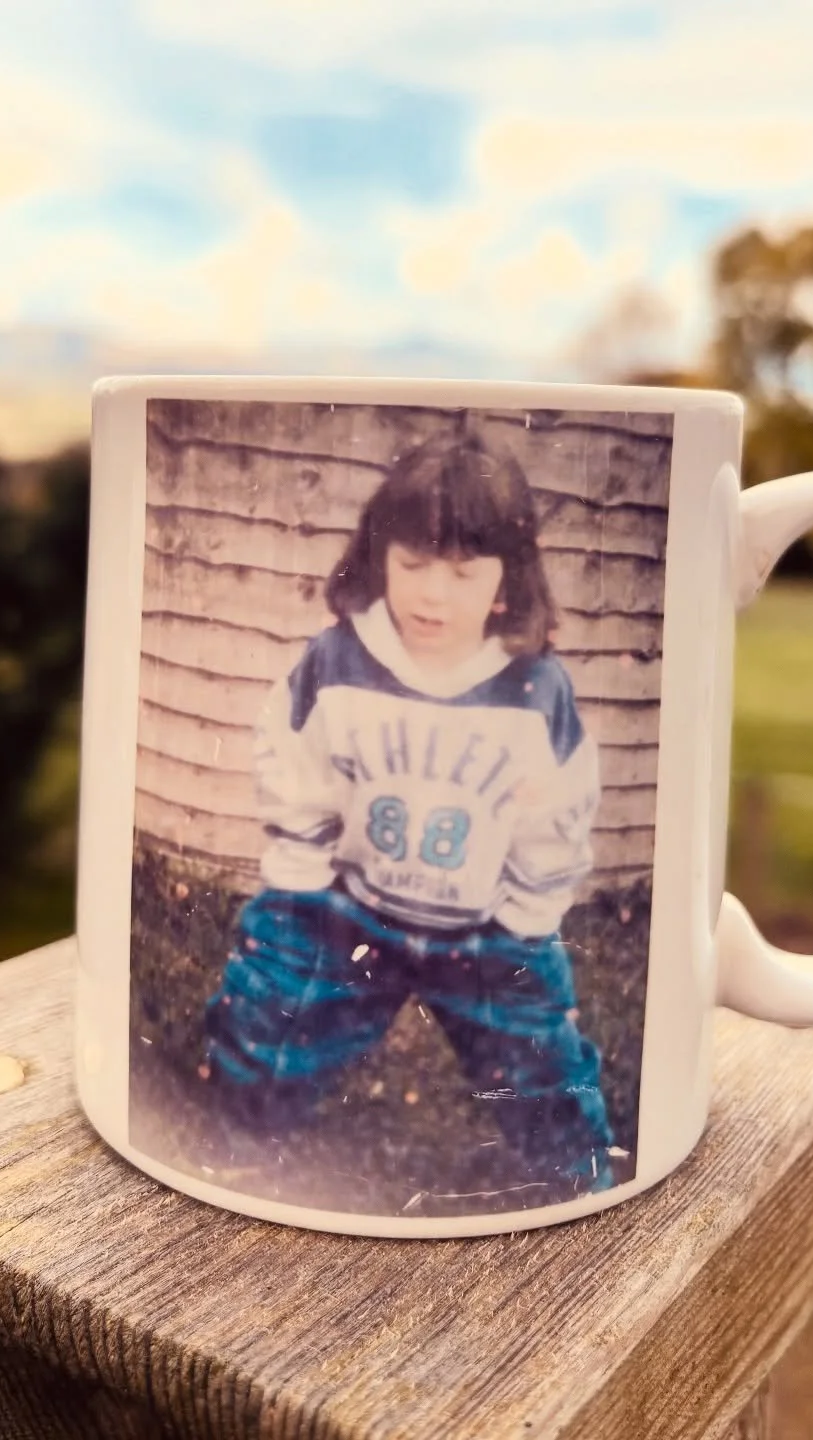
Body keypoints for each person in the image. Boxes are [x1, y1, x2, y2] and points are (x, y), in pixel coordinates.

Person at [201, 428, 616, 1196]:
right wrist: (301, 876)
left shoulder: (534, 691)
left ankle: (580, 1184)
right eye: (413, 564)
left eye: (462, 573)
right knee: (269, 1025)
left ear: (505, 580)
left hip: (487, 928)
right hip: (352, 909)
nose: (432, 594)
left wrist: (528, 913)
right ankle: (241, 1151)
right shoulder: (334, 663)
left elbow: (557, 809)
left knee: (536, 1066)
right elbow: (294, 765)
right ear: (378, 557)